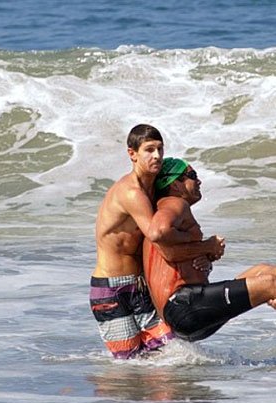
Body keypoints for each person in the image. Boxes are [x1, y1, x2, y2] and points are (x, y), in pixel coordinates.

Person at [142, 158, 276, 342]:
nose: (199, 181)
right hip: (185, 306)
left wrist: (206, 255)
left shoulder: (170, 208)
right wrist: (206, 246)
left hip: (186, 311)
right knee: (268, 285)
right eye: (192, 176)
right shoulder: (174, 203)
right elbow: (158, 232)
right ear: (175, 184)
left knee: (260, 271)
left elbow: (174, 256)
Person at [89, 124, 225, 359]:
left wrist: (202, 255)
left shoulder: (154, 191)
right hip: (112, 289)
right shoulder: (131, 192)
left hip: (141, 285)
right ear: (132, 154)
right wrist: (200, 244)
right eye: (149, 150)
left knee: (171, 354)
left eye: (160, 149)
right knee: (129, 364)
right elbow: (156, 234)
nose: (157, 156)